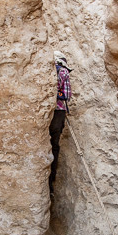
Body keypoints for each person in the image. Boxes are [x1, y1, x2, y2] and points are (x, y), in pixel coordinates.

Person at [49, 50, 70, 194]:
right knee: (54, 146)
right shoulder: (63, 71)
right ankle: (51, 180)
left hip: (46, 110)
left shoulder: (48, 70)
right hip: (58, 111)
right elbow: (67, 95)